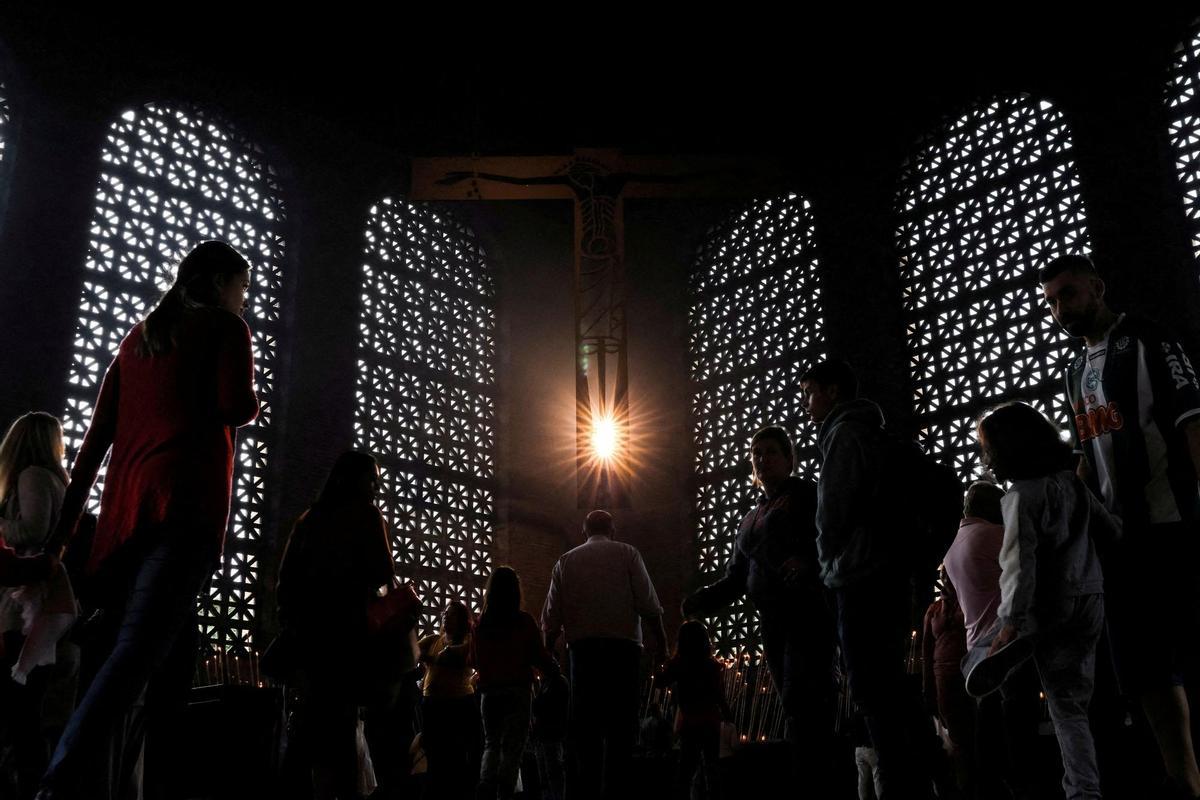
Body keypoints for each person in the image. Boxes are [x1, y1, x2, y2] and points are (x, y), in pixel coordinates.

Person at [37, 240, 259, 799]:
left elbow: (92, 447)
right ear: (217, 284)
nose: (243, 300)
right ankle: (58, 785)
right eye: (242, 288)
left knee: (168, 671)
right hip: (185, 511)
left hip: (123, 526)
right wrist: (251, 398)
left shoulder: (136, 341)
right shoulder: (225, 329)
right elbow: (235, 406)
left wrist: (63, 536)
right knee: (134, 656)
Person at [1041, 253, 1200, 797]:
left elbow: (1190, 420)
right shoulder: (1075, 373)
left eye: (1068, 294)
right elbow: (1088, 455)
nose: (1061, 309)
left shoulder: (1150, 339)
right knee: (1149, 673)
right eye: (1053, 302)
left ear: (1097, 287)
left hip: (1173, 523)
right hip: (1121, 541)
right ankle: (1182, 779)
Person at [800, 358, 935, 798]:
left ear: (833, 391)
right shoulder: (876, 433)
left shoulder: (843, 434)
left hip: (858, 576)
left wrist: (826, 566)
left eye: (811, 392)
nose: (807, 403)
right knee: (891, 679)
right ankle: (931, 774)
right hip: (890, 573)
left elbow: (832, 512)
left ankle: (899, 783)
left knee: (869, 685)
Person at [973, 402, 1121, 800]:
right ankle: (1094, 784)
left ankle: (1082, 791)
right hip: (1091, 597)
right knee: (1082, 700)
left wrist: (1009, 621)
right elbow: (1111, 530)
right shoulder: (1071, 483)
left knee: (1063, 705)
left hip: (1050, 603)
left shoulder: (1020, 496)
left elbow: (1019, 566)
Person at [680, 425, 836, 786]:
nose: (762, 459)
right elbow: (736, 578)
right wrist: (699, 602)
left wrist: (807, 562)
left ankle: (818, 779)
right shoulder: (750, 519)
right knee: (793, 705)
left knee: (806, 700)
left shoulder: (806, 495)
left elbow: (830, 538)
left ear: (788, 459)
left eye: (770, 452)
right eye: (757, 453)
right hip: (773, 621)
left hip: (806, 614)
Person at [277, 450, 396, 799]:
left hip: (310, 641)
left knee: (307, 729)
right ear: (353, 479)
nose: (375, 486)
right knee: (342, 728)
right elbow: (382, 572)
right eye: (371, 478)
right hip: (348, 640)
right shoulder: (365, 515)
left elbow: (285, 584)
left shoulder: (309, 520)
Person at [540, 510, 667, 800]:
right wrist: (662, 645)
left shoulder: (566, 561)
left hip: (582, 656)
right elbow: (649, 605)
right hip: (623, 654)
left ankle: (587, 791)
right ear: (613, 528)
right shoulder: (628, 554)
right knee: (622, 730)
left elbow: (551, 619)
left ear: (584, 531)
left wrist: (549, 659)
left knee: (586, 733)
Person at [943, 480, 1039, 799]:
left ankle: (991, 785)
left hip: (976, 647)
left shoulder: (955, 542)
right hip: (1004, 641)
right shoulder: (992, 535)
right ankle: (1024, 781)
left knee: (988, 722)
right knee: (1017, 718)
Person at [0, 412, 72, 800]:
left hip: (24, 610)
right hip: (41, 610)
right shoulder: (58, 481)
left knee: (19, 713)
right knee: (29, 713)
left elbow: (31, 531)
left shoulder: (31, 477)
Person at [472, 566, 560, 800]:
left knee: (491, 744)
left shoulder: (481, 625)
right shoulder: (524, 622)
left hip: (489, 693)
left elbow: (474, 659)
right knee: (512, 749)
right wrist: (555, 669)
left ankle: (485, 785)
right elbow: (538, 655)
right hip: (517, 692)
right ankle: (505, 793)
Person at [654, 619, 730, 800]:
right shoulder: (713, 666)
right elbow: (720, 696)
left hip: (690, 723)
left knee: (686, 769)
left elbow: (659, 683)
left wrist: (659, 663)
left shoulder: (678, 665)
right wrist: (728, 717)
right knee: (712, 767)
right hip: (712, 722)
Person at [419, 600, 480, 800]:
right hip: (433, 706)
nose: (445, 616)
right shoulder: (433, 640)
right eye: (444, 613)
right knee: (434, 756)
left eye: (451, 614)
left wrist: (433, 659)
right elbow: (412, 652)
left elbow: (454, 656)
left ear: (462, 619)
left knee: (456, 757)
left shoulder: (467, 643)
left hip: (458, 706)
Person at [921, 570, 972, 795]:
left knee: (967, 733)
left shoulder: (967, 600)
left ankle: (967, 783)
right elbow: (926, 650)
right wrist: (927, 688)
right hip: (942, 675)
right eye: (945, 577)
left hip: (965, 673)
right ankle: (956, 783)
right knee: (951, 732)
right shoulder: (933, 610)